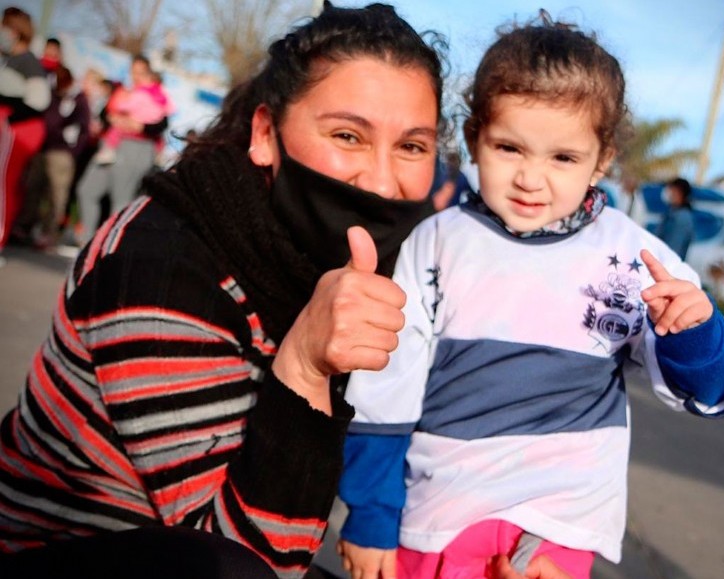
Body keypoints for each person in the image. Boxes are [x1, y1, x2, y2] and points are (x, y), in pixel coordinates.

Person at [0, 3, 446, 579]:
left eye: (412, 146)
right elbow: (248, 563)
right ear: (266, 134)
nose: (383, 182)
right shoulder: (161, 268)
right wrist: (306, 369)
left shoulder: (332, 258)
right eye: (347, 136)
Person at [337, 16, 724, 579]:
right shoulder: (435, 243)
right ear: (475, 137)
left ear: (602, 160)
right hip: (439, 518)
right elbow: (387, 386)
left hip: (558, 535)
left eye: (563, 158)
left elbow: (712, 392)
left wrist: (695, 335)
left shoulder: (635, 259)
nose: (531, 178)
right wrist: (371, 514)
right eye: (509, 147)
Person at [75, 55, 169, 243]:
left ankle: (109, 249)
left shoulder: (155, 95)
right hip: (111, 145)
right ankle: (87, 243)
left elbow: (161, 123)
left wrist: (136, 125)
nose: (136, 76)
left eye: (141, 72)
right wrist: (112, 118)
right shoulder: (125, 92)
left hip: (136, 147)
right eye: (133, 71)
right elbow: (107, 113)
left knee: (121, 200)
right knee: (86, 190)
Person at [13, 65, 91, 249]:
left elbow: (83, 130)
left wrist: (72, 152)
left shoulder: (79, 99)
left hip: (62, 154)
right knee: (33, 187)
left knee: (56, 195)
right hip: (44, 148)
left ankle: (48, 235)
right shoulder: (51, 95)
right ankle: (23, 228)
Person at [0, 6, 50, 263]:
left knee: (3, 185)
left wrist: (10, 116)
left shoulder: (29, 62)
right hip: (11, 127)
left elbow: (39, 101)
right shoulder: (9, 59)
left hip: (19, 130)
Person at [93, 65, 174, 165]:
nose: (136, 77)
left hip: (136, 129)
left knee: (116, 131)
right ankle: (160, 156)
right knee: (160, 141)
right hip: (143, 129)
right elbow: (170, 108)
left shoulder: (141, 93)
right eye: (134, 72)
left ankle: (109, 152)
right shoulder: (162, 95)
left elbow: (128, 105)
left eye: (140, 74)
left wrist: (120, 108)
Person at [656, 176, 694, 260]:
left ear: (679, 193)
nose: (667, 192)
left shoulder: (682, 218)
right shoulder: (671, 213)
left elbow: (673, 251)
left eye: (671, 189)